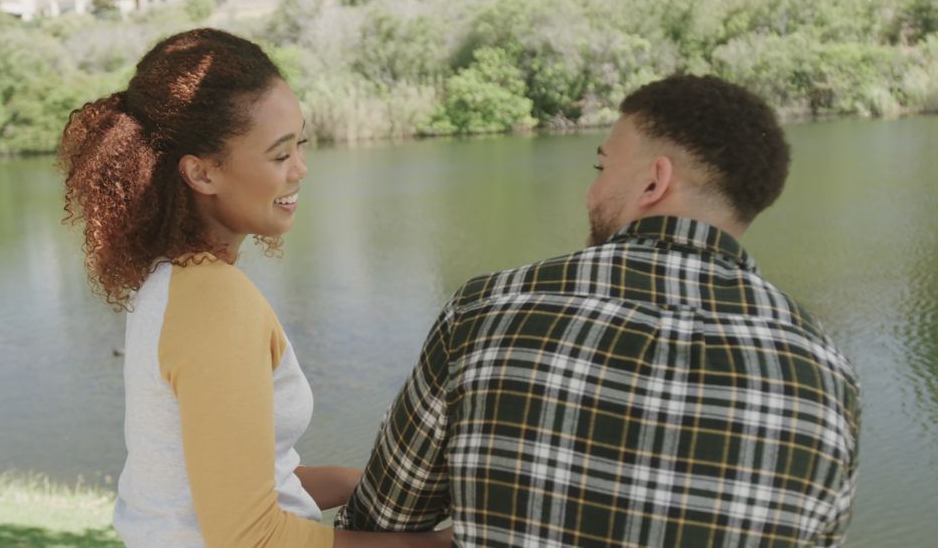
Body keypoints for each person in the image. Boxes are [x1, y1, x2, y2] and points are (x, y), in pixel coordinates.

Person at [336, 75, 861, 547]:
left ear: (654, 182)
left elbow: (380, 520)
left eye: (601, 165)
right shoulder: (825, 376)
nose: (591, 190)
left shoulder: (486, 310)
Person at [59, 28, 450, 548]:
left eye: (301, 145)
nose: (301, 169)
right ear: (201, 173)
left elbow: (239, 486)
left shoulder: (172, 283)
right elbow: (251, 537)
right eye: (280, 154)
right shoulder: (216, 302)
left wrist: (404, 489)